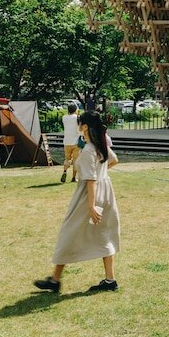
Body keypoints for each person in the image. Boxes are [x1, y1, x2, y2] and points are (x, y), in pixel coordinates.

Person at [35, 111, 121, 293]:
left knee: (69, 232)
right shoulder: (100, 144)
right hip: (105, 191)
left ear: (85, 126)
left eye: (80, 123)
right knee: (103, 234)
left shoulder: (90, 149)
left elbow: (91, 181)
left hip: (89, 195)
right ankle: (110, 280)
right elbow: (113, 160)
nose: (78, 126)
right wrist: (101, 173)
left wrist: (91, 206)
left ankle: (55, 280)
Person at [60, 104, 80, 183]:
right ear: (75, 110)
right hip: (76, 142)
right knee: (76, 160)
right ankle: (74, 177)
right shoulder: (78, 117)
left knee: (67, 159)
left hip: (66, 141)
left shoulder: (64, 117)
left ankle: (65, 171)